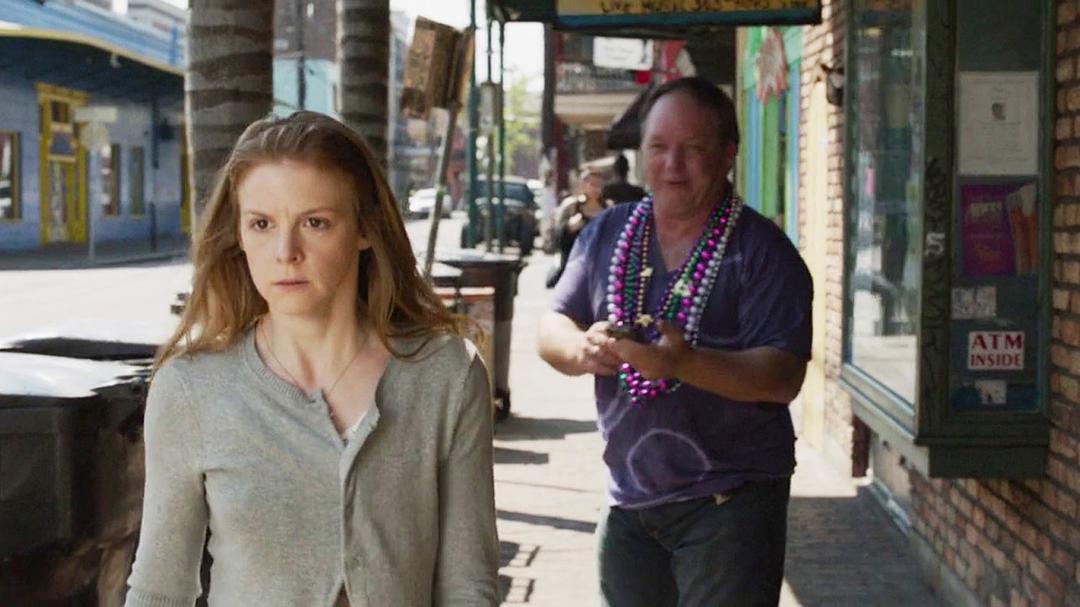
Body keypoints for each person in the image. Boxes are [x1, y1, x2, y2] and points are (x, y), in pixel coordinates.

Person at [126, 112, 499, 607]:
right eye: (261, 224)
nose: (286, 251)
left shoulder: (446, 375)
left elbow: (468, 587)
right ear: (238, 234)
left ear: (364, 228)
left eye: (315, 222)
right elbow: (159, 589)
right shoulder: (192, 388)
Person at [537, 76, 812, 606]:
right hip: (629, 499)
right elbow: (552, 325)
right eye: (658, 147)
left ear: (728, 154)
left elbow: (782, 376)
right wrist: (579, 349)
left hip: (730, 502)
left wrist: (683, 364)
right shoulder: (607, 232)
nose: (673, 165)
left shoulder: (763, 252)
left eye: (694, 149)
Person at [545, 168, 612, 288]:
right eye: (592, 184)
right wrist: (568, 228)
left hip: (601, 265)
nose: (596, 188)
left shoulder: (608, 208)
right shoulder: (571, 206)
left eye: (599, 185)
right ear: (583, 185)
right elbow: (555, 238)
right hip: (575, 265)